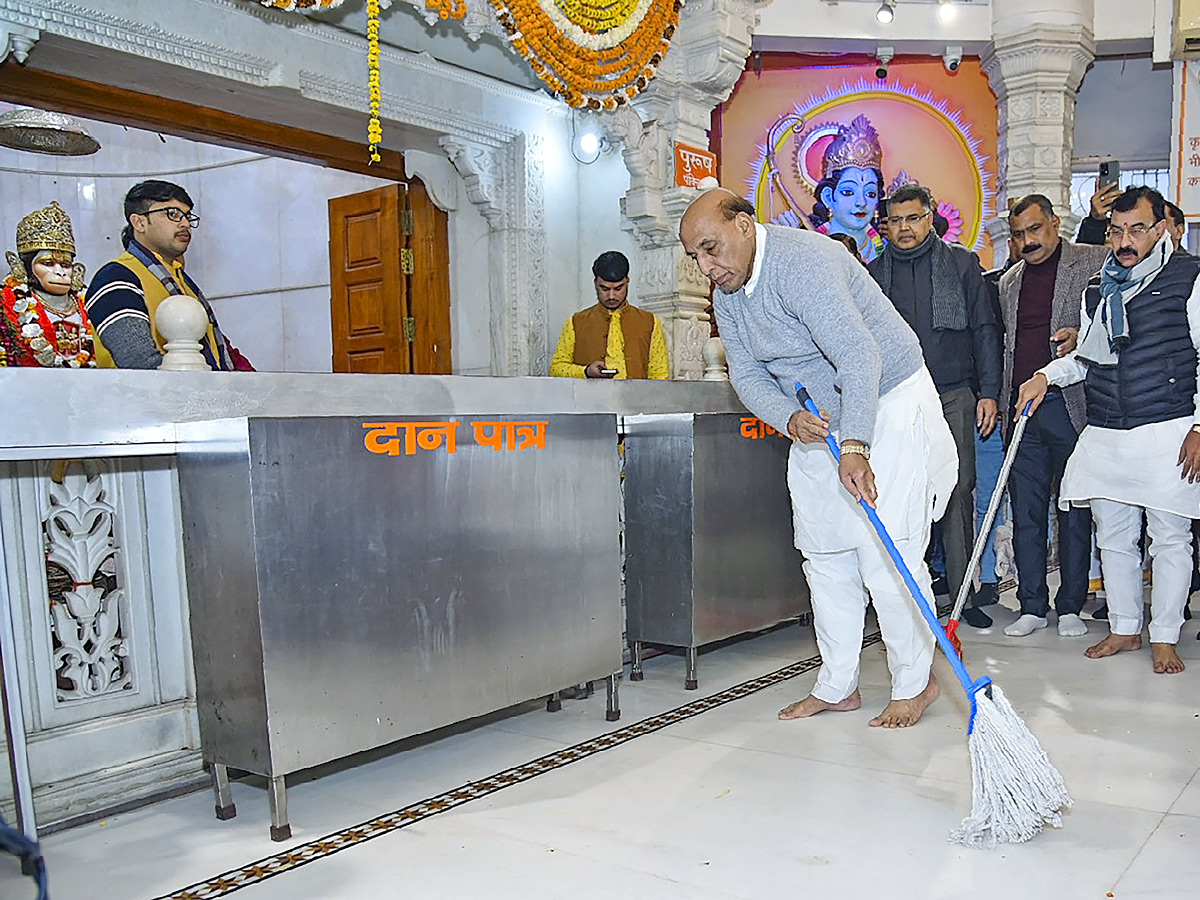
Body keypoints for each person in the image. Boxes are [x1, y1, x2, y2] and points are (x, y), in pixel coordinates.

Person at [680, 187, 957, 728]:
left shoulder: (804, 262)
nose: (706, 266)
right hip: (816, 418)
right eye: (695, 257)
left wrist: (856, 445)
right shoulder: (731, 291)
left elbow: (859, 354)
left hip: (885, 399)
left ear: (743, 224)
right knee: (824, 552)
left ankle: (914, 683)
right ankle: (838, 685)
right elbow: (747, 374)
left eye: (711, 248)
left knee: (887, 549)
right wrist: (787, 417)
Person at [1016, 186, 1200, 674]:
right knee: (1114, 537)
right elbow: (1086, 357)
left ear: (1161, 229)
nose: (1125, 240)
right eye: (1117, 230)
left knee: (1169, 538)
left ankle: (1164, 635)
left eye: (1137, 229)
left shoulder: (1190, 276)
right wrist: (1044, 376)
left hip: (1169, 426)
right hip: (1106, 428)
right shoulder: (1098, 288)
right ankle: (1124, 627)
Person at [868, 184, 1003, 628]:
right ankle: (906, 594)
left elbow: (985, 330)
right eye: (896, 220)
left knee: (959, 487)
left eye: (913, 218)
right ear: (886, 224)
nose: (904, 228)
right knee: (901, 493)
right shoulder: (872, 274)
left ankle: (965, 595)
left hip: (952, 392)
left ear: (930, 218)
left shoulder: (962, 265)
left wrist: (988, 392)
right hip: (895, 396)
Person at [998, 195, 1108, 638]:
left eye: (1035, 230)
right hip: (1022, 412)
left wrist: (1084, 333)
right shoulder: (1008, 282)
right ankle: (1031, 605)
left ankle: (1070, 605)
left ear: (1055, 223)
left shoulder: (1091, 260)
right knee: (1026, 512)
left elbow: (1114, 315)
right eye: (1020, 234)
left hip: (1071, 406)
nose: (1029, 241)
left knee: (1072, 511)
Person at [85, 180, 253, 370]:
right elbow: (139, 363)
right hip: (155, 398)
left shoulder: (181, 280)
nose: (185, 224)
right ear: (139, 222)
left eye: (187, 216)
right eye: (172, 214)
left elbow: (218, 354)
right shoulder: (116, 276)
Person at [1, 201, 94, 368]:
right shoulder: (7, 303)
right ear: (23, 267)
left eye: (66, 265)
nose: (60, 272)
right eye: (48, 263)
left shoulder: (89, 303)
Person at [549, 250, 669, 379]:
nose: (611, 296)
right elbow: (556, 368)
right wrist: (586, 372)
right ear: (595, 284)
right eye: (604, 289)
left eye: (618, 288)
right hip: (591, 398)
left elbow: (660, 374)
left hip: (636, 398)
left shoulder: (649, 322)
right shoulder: (576, 322)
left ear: (627, 282)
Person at [808, 116, 886, 264]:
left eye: (870, 194)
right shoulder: (809, 246)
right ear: (828, 197)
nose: (861, 202)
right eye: (848, 192)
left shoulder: (887, 249)